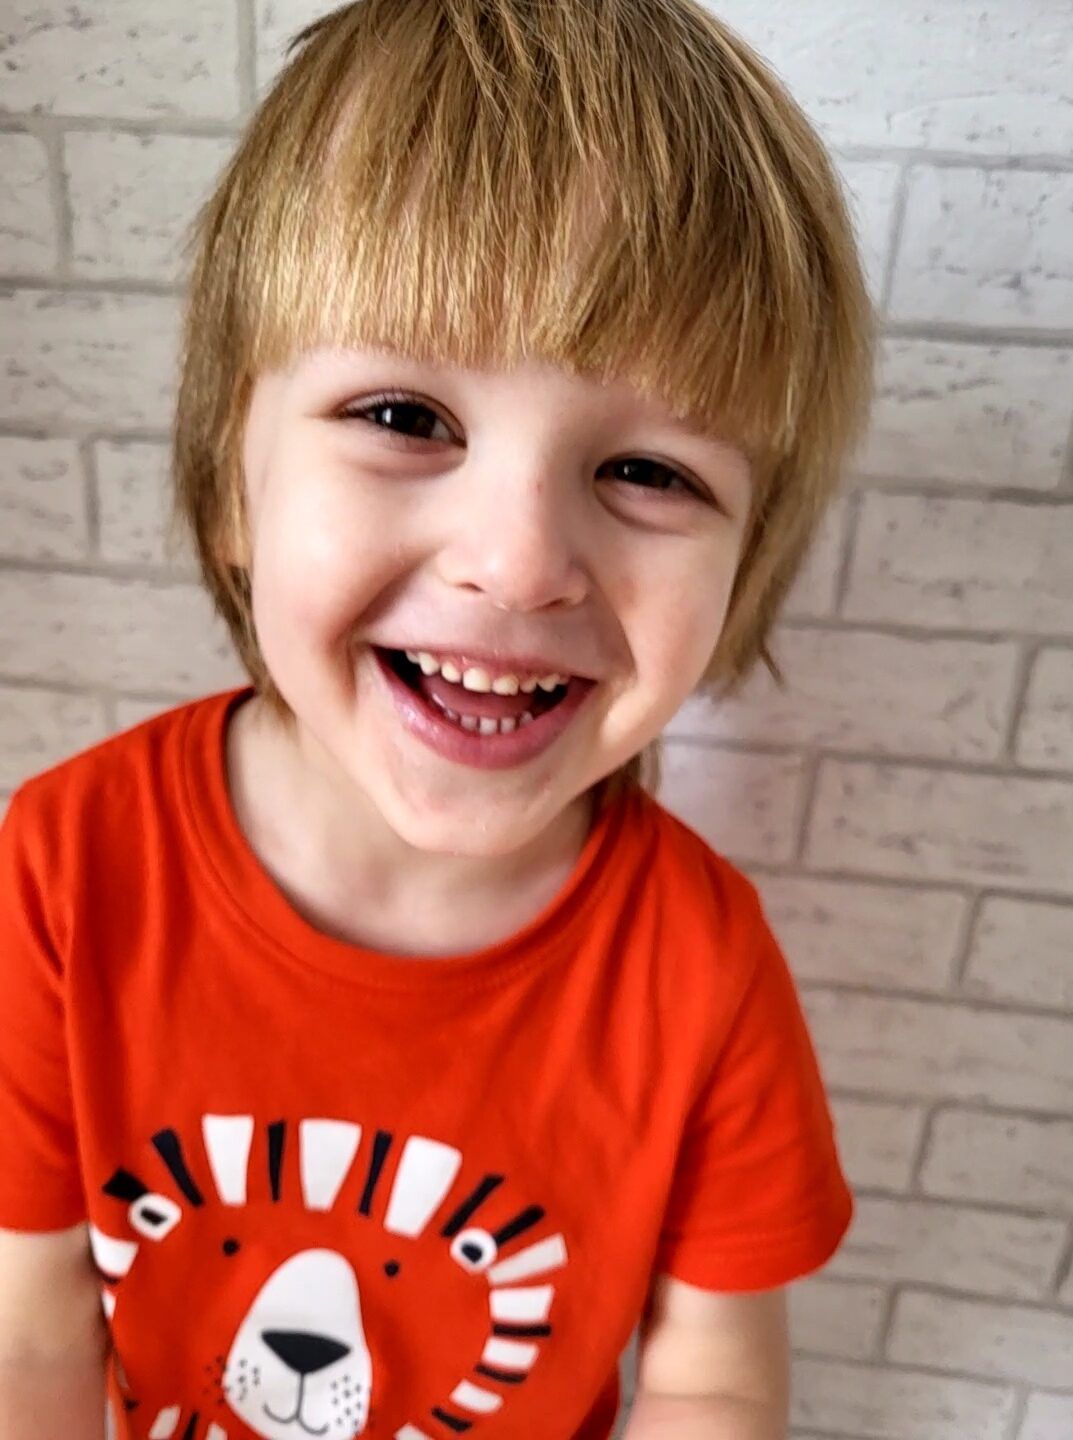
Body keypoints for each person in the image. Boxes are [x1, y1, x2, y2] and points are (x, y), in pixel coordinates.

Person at [0, 1, 875, 1437]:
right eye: (405, 417)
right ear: (233, 485)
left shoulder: (702, 969)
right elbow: (32, 1338)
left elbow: (713, 1379)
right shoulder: (61, 872)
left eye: (651, 471)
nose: (519, 563)